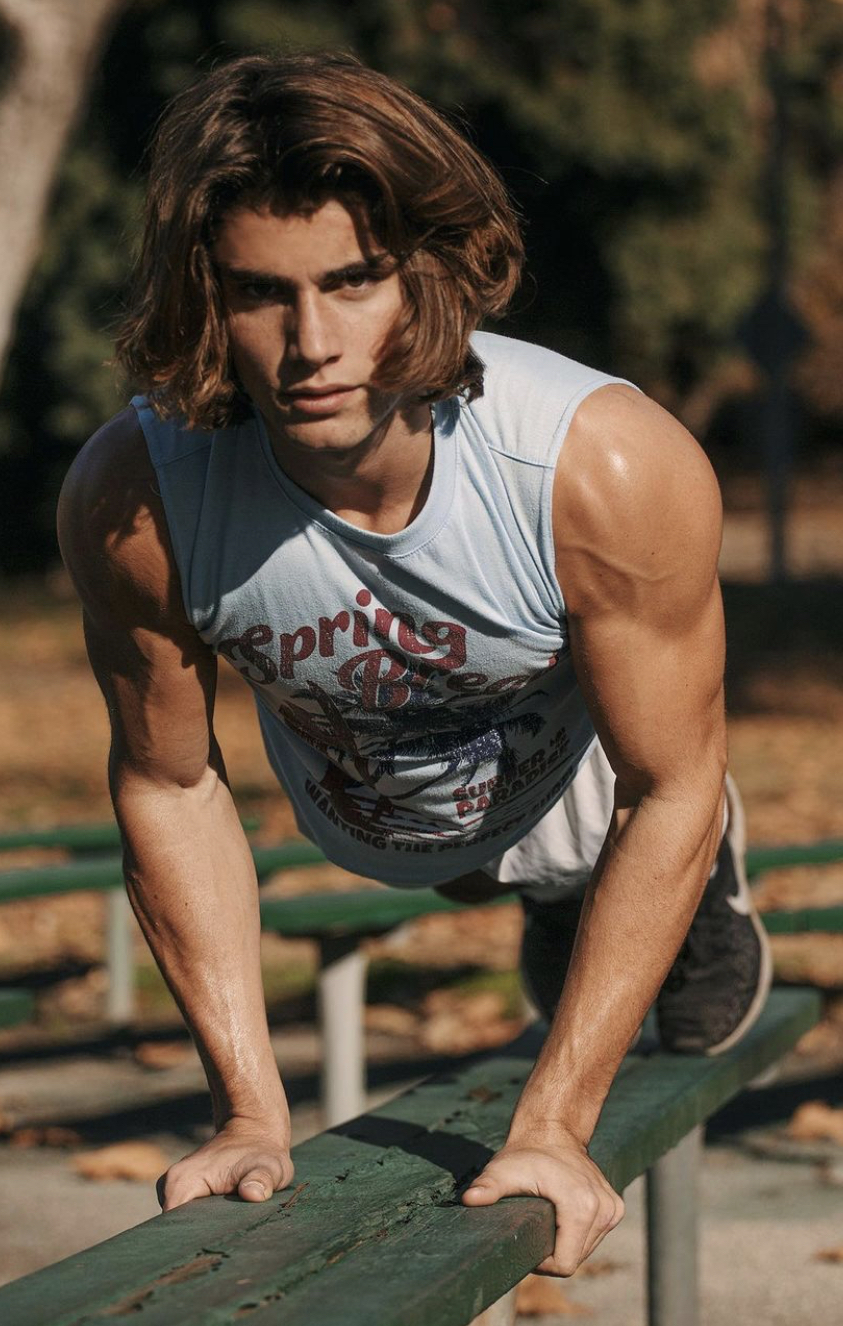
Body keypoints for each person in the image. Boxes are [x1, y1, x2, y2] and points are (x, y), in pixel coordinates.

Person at [57, 51, 771, 1278]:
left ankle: (656, 886)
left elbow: (670, 782)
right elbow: (168, 784)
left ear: (427, 273)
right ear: (206, 297)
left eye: (352, 282)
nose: (310, 344)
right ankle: (541, 893)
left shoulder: (599, 464)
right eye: (260, 294)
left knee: (622, 846)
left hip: (576, 783)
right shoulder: (141, 500)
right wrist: (246, 1110)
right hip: (373, 807)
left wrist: (555, 1126)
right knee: (471, 870)